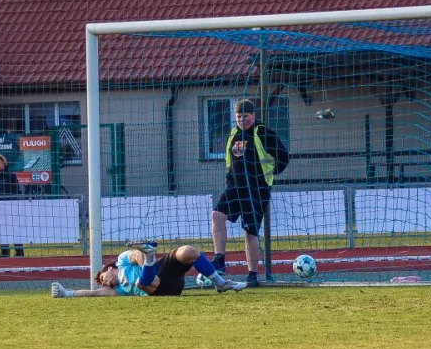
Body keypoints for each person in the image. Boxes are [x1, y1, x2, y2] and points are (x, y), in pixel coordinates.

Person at [210, 99, 289, 288]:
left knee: (250, 231)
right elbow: (230, 161)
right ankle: (219, 260)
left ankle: (252, 274)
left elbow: (284, 157)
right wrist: (230, 178)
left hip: (256, 190)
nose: (242, 120)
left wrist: (269, 174)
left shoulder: (263, 133)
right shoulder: (233, 134)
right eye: (238, 117)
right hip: (235, 187)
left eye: (245, 116)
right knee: (217, 215)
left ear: (253, 115)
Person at [51, 240, 243, 298]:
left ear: (109, 268)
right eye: (103, 283)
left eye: (103, 278)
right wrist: (66, 293)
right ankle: (150, 256)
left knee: (188, 251)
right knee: (140, 283)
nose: (105, 283)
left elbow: (136, 255)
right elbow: (93, 294)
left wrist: (148, 267)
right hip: (159, 290)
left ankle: (220, 283)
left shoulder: (122, 261)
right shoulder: (118, 290)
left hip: (161, 271)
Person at [0, 153, 25, 258]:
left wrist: (12, 205)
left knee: (14, 230)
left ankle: (19, 252)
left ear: (4, 163)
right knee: (1, 231)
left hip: (10, 208)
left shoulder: (11, 175)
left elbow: (15, 191)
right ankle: (5, 252)